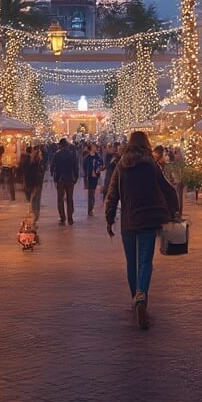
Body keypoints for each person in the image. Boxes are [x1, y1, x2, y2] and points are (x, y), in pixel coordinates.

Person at [105, 130, 179, 330]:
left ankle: (134, 299)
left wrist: (109, 219)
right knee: (145, 262)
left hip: (128, 221)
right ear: (146, 143)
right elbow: (167, 189)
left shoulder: (121, 165)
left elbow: (112, 194)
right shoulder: (151, 165)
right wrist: (174, 210)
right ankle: (141, 297)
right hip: (149, 220)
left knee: (132, 262)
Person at [51, 137, 79, 225]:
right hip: (70, 179)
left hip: (60, 179)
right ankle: (70, 218)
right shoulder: (72, 154)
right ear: (67, 145)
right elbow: (76, 167)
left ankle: (62, 217)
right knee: (69, 199)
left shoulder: (57, 154)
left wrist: (54, 177)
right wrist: (76, 177)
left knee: (60, 199)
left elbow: (52, 166)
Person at [23, 145, 46, 222]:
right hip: (35, 184)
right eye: (40, 153)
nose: (41, 154)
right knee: (35, 200)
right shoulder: (35, 163)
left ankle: (34, 217)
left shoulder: (31, 161)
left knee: (34, 200)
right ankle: (34, 218)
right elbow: (36, 174)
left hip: (31, 183)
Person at [83, 143, 103, 217]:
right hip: (89, 177)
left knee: (93, 193)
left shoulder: (98, 157)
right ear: (90, 148)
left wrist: (98, 169)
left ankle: (91, 208)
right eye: (94, 147)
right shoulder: (86, 158)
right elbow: (84, 167)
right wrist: (86, 175)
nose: (95, 148)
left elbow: (101, 164)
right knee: (90, 193)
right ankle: (90, 209)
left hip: (95, 177)